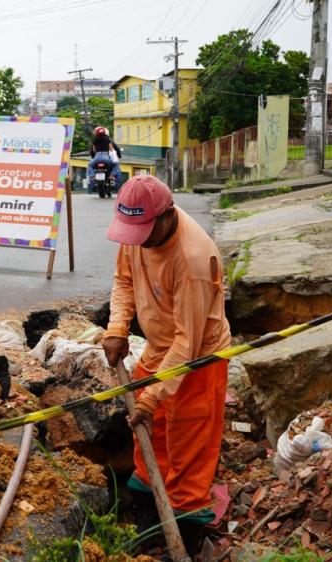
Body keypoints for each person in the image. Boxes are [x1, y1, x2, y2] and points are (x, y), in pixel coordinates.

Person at [101, 175, 232, 556]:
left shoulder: (191, 259)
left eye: (143, 230)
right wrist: (116, 328)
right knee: (150, 439)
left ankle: (186, 541)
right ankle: (151, 524)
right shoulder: (137, 234)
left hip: (198, 361)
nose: (136, 240)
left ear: (167, 216)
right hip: (160, 349)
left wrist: (152, 395)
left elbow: (187, 344)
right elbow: (123, 281)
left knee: (187, 451)